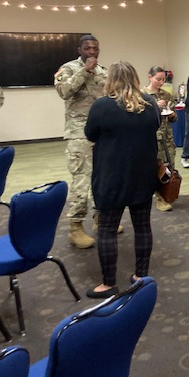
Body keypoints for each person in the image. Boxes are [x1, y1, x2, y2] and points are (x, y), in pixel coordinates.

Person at [84, 61, 160, 298]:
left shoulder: (101, 106)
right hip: (143, 176)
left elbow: (90, 134)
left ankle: (108, 283)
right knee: (143, 227)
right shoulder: (151, 105)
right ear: (136, 78)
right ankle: (141, 276)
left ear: (111, 80)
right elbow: (155, 128)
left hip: (111, 178)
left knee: (106, 230)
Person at [54, 34, 114, 249]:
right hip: (79, 133)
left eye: (95, 49)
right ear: (79, 49)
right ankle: (76, 227)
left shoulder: (104, 71)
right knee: (82, 178)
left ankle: (101, 219)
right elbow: (63, 91)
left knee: (104, 177)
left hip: (102, 132)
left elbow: (112, 96)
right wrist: (85, 70)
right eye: (87, 48)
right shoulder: (68, 69)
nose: (92, 52)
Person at [142, 66, 177, 212]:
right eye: (158, 79)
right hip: (150, 138)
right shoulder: (141, 95)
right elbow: (138, 116)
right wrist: (154, 107)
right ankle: (156, 197)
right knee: (154, 169)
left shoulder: (166, 95)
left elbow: (174, 117)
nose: (161, 82)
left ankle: (165, 196)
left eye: (163, 79)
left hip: (166, 138)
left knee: (169, 167)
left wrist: (171, 114)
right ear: (150, 77)